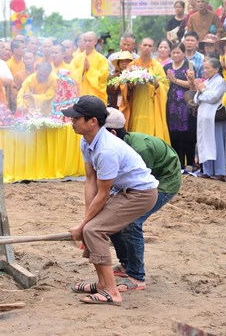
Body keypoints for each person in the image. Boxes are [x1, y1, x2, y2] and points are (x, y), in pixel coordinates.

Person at [64, 96, 158, 306]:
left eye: (76, 118)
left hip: (140, 194)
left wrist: (84, 226)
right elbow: (91, 182)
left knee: (93, 230)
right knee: (91, 227)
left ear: (92, 122)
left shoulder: (106, 150)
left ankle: (112, 291)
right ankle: (101, 284)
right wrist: (86, 220)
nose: (72, 122)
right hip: (123, 191)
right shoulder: (86, 140)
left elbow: (103, 193)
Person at [103, 107, 181, 292]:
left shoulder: (139, 149)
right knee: (111, 217)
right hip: (144, 183)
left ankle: (137, 277)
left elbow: (140, 186)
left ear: (112, 133)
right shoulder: (117, 146)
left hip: (163, 184)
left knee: (132, 222)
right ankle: (126, 265)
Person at [120, 38, 170, 143]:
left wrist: (156, 83)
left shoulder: (157, 66)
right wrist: (129, 85)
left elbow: (164, 86)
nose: (147, 48)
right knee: (136, 133)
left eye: (150, 46)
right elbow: (125, 87)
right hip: (136, 105)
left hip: (151, 106)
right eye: (145, 45)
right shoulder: (132, 65)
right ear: (140, 46)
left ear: (153, 49)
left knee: (150, 136)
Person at [194, 58, 226, 180]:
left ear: (216, 69)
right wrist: (201, 90)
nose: (205, 71)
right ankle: (207, 170)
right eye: (204, 68)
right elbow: (197, 98)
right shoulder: (207, 80)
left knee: (216, 144)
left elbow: (214, 97)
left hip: (214, 118)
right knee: (205, 143)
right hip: (204, 118)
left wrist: (202, 89)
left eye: (208, 68)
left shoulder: (220, 81)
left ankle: (220, 171)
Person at [164, 43, 196, 171]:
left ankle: (190, 163)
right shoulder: (166, 67)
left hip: (185, 104)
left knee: (187, 134)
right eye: (173, 53)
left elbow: (192, 85)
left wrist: (175, 80)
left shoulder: (189, 66)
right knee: (174, 134)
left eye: (178, 52)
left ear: (183, 53)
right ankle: (177, 163)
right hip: (171, 105)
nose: (176, 55)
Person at [70, 32, 110, 103]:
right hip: (80, 96)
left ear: (95, 42)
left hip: (96, 97)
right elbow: (71, 76)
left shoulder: (101, 59)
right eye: (85, 40)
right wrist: (82, 70)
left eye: (90, 41)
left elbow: (103, 78)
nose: (87, 43)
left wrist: (90, 69)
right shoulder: (77, 58)